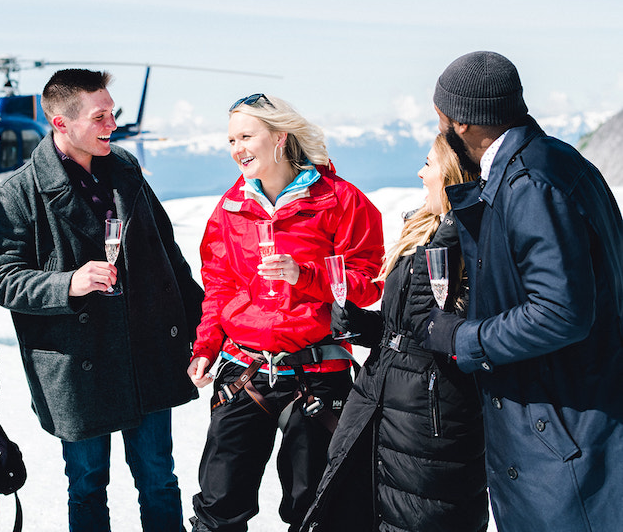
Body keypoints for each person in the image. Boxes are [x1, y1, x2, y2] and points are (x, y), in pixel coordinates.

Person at [0, 68, 204, 532]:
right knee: (86, 484)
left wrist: (204, 330)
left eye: (112, 114)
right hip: (80, 363)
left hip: (144, 350)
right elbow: (2, 279)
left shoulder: (124, 167)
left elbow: (168, 254)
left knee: (160, 479)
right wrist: (68, 284)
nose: (112, 125)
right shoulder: (19, 190)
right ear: (62, 123)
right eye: (100, 117)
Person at [420, 51, 623, 530]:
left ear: (461, 122)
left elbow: (559, 313)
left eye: (441, 114)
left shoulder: (529, 181)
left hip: (561, 436)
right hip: (571, 421)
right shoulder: (557, 160)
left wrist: (462, 338)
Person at [187, 94, 384, 532]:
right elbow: (219, 286)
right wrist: (205, 346)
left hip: (317, 372)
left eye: (246, 136)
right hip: (244, 371)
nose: (237, 148)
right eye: (231, 139)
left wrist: (306, 275)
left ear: (280, 138)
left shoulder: (342, 200)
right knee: (218, 506)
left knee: (314, 508)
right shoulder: (229, 208)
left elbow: (369, 283)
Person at [301, 132, 488, 532]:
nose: (420, 173)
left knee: (421, 515)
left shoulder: (471, 236)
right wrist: (358, 323)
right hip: (377, 399)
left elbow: (447, 328)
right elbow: (403, 326)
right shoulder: (422, 228)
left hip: (431, 414)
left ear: (452, 174)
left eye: (428, 164)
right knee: (356, 508)